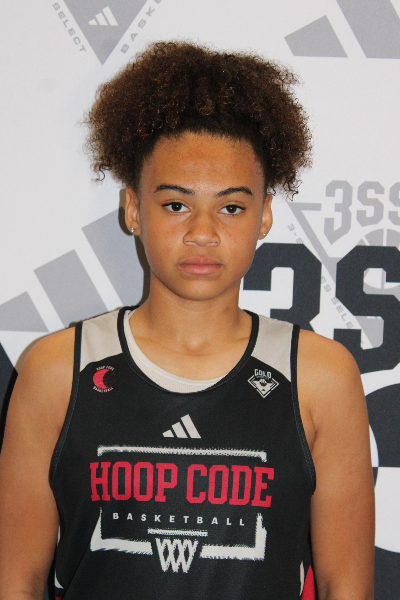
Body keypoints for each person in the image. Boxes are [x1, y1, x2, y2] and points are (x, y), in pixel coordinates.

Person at [0, 41, 374, 600]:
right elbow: (16, 582)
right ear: (133, 209)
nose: (202, 232)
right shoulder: (56, 370)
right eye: (176, 205)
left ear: (264, 216)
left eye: (231, 207)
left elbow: (348, 587)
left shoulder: (320, 376)